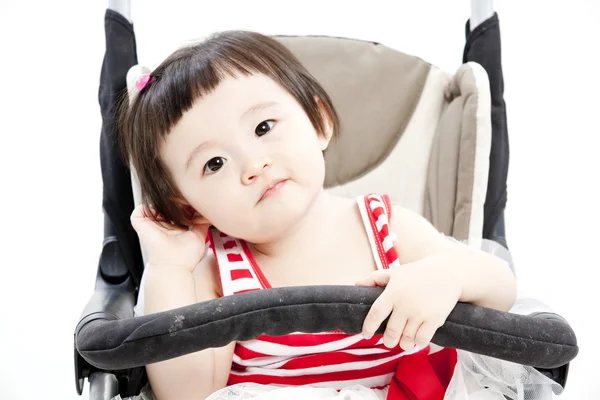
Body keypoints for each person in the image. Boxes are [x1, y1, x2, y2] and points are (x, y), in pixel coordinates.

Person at [119, 30, 517, 400]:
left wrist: (445, 275)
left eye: (263, 126)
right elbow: (186, 394)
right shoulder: (215, 274)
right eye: (215, 163)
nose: (253, 165)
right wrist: (169, 267)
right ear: (189, 207)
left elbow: (501, 288)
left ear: (319, 121)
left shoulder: (383, 229)